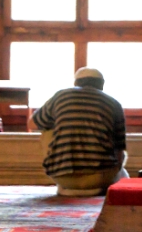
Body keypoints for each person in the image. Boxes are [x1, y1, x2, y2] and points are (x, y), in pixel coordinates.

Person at [29, 67, 129, 196]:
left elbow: (32, 124)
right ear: (102, 85)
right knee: (115, 141)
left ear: (75, 83)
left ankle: (66, 178)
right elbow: (120, 150)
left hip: (63, 178)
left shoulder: (61, 96)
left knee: (47, 127)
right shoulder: (113, 103)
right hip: (100, 178)